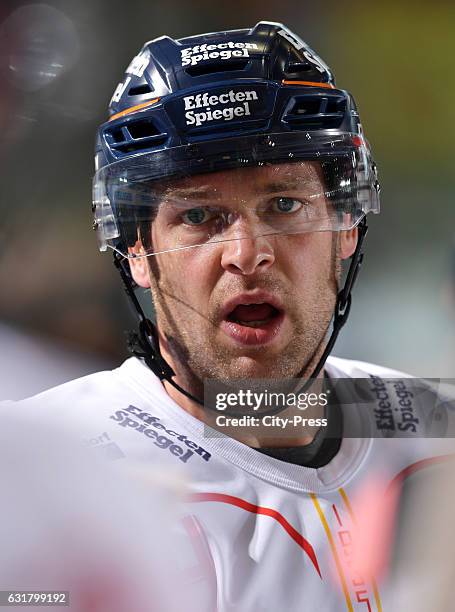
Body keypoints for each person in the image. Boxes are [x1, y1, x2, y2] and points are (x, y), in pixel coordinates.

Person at [3, 21, 454, 611]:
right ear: (136, 251)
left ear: (347, 226)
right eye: (198, 217)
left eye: (285, 204)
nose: (247, 253)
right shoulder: (37, 465)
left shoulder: (433, 423)